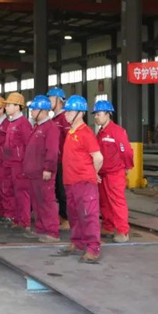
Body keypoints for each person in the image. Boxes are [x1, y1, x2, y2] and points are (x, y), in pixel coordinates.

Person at [55, 95, 104, 264]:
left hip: (84, 182)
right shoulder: (71, 131)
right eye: (66, 111)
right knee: (74, 214)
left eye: (69, 111)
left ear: (80, 113)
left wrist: (92, 173)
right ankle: (77, 242)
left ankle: (93, 248)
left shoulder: (86, 133)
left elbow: (98, 157)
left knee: (88, 215)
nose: (66, 114)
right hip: (71, 181)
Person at [93, 100, 134, 243]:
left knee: (117, 202)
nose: (96, 117)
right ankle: (108, 226)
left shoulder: (117, 131)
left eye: (98, 114)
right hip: (102, 174)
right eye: (95, 114)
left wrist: (127, 166)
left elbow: (126, 151)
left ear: (107, 114)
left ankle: (122, 231)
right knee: (104, 202)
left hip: (115, 173)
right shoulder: (100, 133)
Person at [22, 95, 61, 242]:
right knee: (37, 202)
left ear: (43, 111)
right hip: (34, 172)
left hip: (43, 172)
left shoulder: (51, 128)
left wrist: (48, 169)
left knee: (47, 201)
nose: (31, 112)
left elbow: (52, 150)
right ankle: (41, 228)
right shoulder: (37, 127)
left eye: (34, 109)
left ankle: (52, 231)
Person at [2, 92, 32, 232]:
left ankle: (25, 222)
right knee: (13, 192)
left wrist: (26, 166)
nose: (6, 107)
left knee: (22, 193)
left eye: (9, 105)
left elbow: (29, 146)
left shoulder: (23, 124)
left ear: (17, 106)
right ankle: (17, 219)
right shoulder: (11, 123)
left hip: (20, 165)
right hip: (11, 164)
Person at [47, 87, 70, 230]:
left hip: (63, 161)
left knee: (63, 191)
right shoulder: (54, 119)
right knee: (57, 190)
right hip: (55, 160)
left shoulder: (65, 118)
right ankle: (61, 217)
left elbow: (69, 141)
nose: (48, 101)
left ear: (59, 100)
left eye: (51, 98)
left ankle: (67, 219)